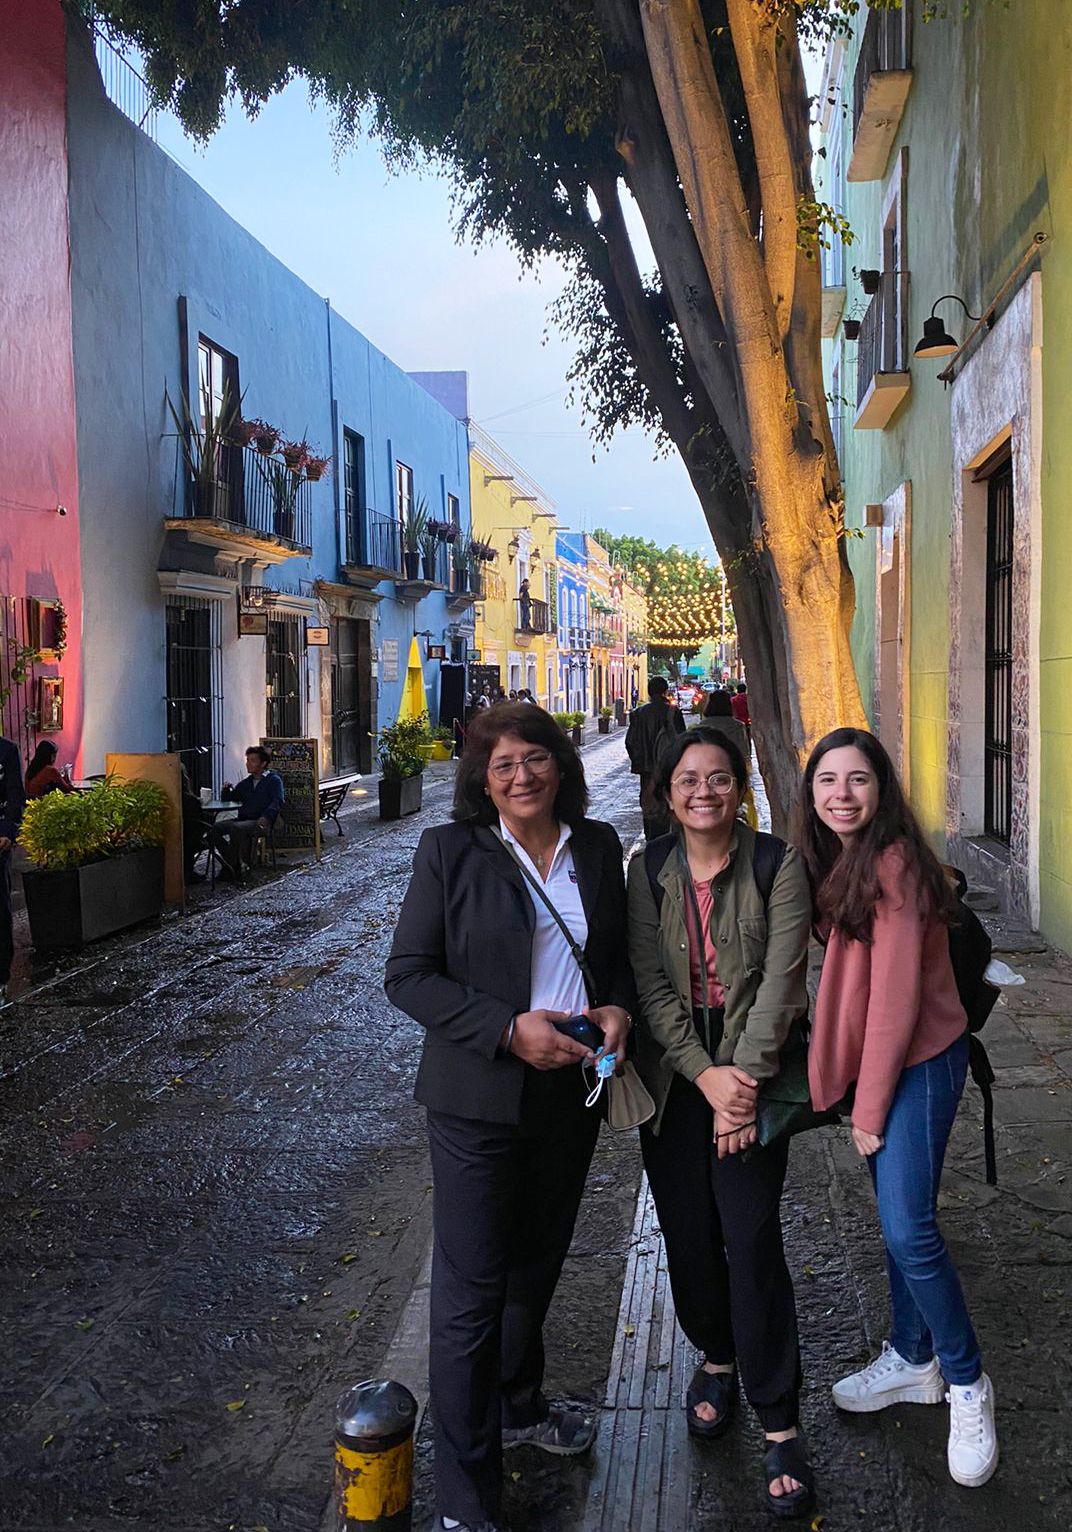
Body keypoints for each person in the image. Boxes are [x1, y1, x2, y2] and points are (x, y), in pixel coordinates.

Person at [385, 703, 635, 1532]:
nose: (521, 776)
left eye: (534, 759)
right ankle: (465, 1499)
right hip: (477, 1101)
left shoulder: (596, 849)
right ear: (481, 780)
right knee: (468, 1293)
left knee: (537, 1265)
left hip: (571, 1090)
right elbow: (409, 976)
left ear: (560, 764)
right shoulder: (449, 852)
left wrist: (616, 1013)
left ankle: (519, 1408)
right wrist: (504, 1029)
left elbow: (617, 960)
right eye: (502, 765)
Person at [797, 728, 997, 1489]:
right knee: (895, 1220)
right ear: (810, 792)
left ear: (882, 789)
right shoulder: (843, 859)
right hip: (890, 1064)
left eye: (857, 780)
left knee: (909, 1228)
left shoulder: (896, 865)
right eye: (827, 781)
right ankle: (912, 1359)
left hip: (920, 1060)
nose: (841, 794)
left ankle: (968, 1382)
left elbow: (895, 1003)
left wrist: (867, 1109)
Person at [627, 726, 814, 1518]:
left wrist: (741, 1085)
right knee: (689, 1234)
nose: (704, 792)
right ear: (667, 793)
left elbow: (782, 979)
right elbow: (647, 983)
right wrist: (706, 1079)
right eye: (688, 781)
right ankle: (717, 1355)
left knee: (749, 1236)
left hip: (753, 1064)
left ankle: (779, 1415)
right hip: (676, 1076)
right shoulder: (647, 871)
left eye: (720, 779)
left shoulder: (777, 863)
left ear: (740, 788)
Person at [625, 676, 686, 840]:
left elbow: (630, 742)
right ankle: (668, 840)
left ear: (649, 692)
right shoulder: (673, 712)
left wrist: (639, 763)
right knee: (669, 803)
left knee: (649, 804)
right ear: (665, 691)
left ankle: (651, 840)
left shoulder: (638, 714)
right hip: (669, 769)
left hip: (646, 771)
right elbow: (682, 741)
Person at [211, 745, 284, 878]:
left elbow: (278, 800)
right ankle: (232, 864)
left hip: (260, 821)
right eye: (247, 760)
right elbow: (231, 799)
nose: (248, 764)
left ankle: (233, 867)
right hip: (243, 819)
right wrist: (226, 790)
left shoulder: (273, 780)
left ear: (263, 763)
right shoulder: (246, 783)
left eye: (253, 760)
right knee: (215, 828)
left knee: (236, 827)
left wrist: (266, 817)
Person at [0, 733, 26, 1002]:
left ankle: (1, 974)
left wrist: (8, 829)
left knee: (0, 907)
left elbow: (15, 793)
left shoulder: (6, 751)